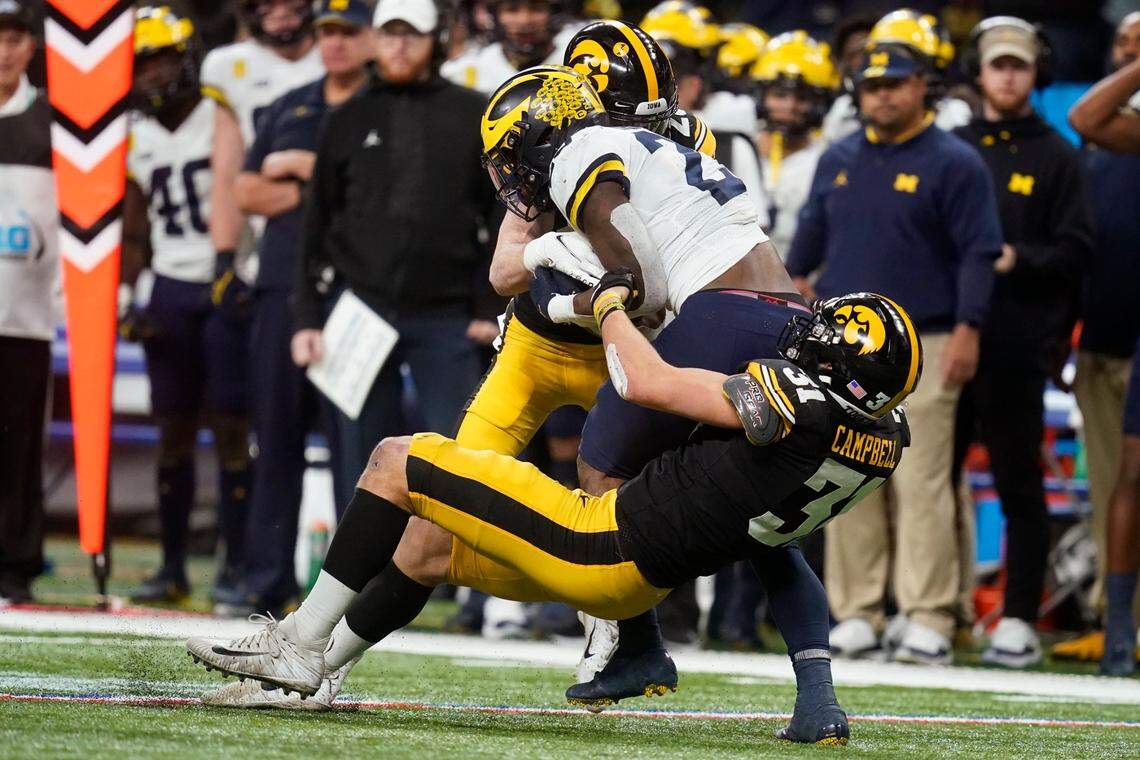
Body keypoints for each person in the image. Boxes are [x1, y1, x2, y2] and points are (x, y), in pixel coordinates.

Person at [188, 74, 921, 743]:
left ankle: (307, 643)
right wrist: (571, 275)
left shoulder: (589, 148)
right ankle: (315, 667)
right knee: (427, 539)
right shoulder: (875, 429)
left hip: (621, 445)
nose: (508, 177)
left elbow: (641, 316)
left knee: (429, 464)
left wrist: (599, 298)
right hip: (680, 427)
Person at [787, 41, 1002, 665]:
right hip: (844, 349)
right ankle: (858, 611)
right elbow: (803, 251)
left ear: (921, 87)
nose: (882, 94)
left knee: (922, 477)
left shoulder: (955, 162)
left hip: (928, 339)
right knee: (848, 474)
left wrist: (970, 329)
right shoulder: (838, 157)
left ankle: (927, 614)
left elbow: (979, 254)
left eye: (895, 83)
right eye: (872, 84)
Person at [290, 0, 499, 518]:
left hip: (448, 314)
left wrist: (485, 302)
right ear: (374, 40)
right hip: (360, 308)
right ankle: (356, 587)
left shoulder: (474, 112)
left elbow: (500, 215)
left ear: (435, 40)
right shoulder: (347, 117)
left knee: (462, 454)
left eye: (412, 35)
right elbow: (315, 223)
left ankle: (472, 592)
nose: (399, 46)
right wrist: (307, 317)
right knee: (359, 460)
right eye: (389, 35)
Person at [221, 0, 374, 619]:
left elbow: (379, 197)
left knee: (354, 447)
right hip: (283, 290)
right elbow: (246, 189)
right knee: (274, 438)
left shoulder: (384, 108)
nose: (333, 44)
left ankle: (351, 584)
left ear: (367, 38)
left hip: (356, 296)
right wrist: (319, 188)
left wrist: (305, 171)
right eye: (326, 33)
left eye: (346, 33)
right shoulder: (292, 102)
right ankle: (265, 578)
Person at [952, 16, 1093, 668]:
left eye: (1019, 65)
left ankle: (1016, 618)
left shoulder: (1059, 156)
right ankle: (937, 612)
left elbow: (1076, 252)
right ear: (978, 73)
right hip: (943, 339)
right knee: (928, 481)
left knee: (1018, 482)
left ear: (1036, 75)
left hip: (1014, 343)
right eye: (997, 65)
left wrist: (1014, 259)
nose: (1007, 75)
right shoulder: (949, 147)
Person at [119, 7, 252, 607]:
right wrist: (129, 294)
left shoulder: (219, 113)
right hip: (170, 287)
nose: (153, 75)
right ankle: (172, 566)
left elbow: (234, 191)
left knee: (230, 429)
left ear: (186, 56)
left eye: (163, 59)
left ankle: (238, 567)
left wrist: (231, 266)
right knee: (172, 432)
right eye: (143, 63)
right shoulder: (134, 136)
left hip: (221, 283)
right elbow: (136, 227)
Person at [1053, 11, 1140, 671]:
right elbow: (1085, 117)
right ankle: (1119, 630)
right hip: (1115, 330)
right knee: (1124, 477)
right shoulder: (1111, 135)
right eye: (1125, 44)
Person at [200, 0, 323, 349]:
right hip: (269, 233)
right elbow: (226, 170)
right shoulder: (229, 65)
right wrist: (224, 257)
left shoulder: (338, 47)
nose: (281, 14)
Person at [0, 0, 56, 604]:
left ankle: (15, 565)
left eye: (15, 38)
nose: (4, 50)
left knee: (18, 442)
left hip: (27, 315)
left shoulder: (52, 123)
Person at [821, 10, 971, 143]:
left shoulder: (953, 116)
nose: (893, 67)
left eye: (907, 62)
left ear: (931, 72)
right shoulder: (844, 115)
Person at [751, 31, 836, 257]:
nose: (789, 106)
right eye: (779, 95)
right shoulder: (737, 149)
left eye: (802, 98)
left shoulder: (830, 160)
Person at [442, 0, 578, 93]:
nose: (524, 20)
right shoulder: (464, 73)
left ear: (554, 13)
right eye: (512, 10)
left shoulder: (579, 64)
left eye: (536, 8)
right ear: (495, 16)